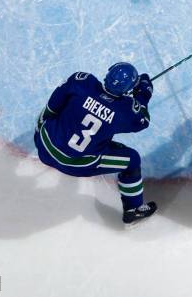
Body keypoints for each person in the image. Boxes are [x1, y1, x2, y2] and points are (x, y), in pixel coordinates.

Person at [34, 62, 157, 227]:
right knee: (132, 159)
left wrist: (40, 129)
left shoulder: (81, 82)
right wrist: (143, 94)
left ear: (108, 74)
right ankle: (133, 209)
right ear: (128, 88)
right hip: (76, 165)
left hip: (44, 146)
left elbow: (52, 106)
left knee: (55, 116)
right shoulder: (125, 111)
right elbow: (142, 121)